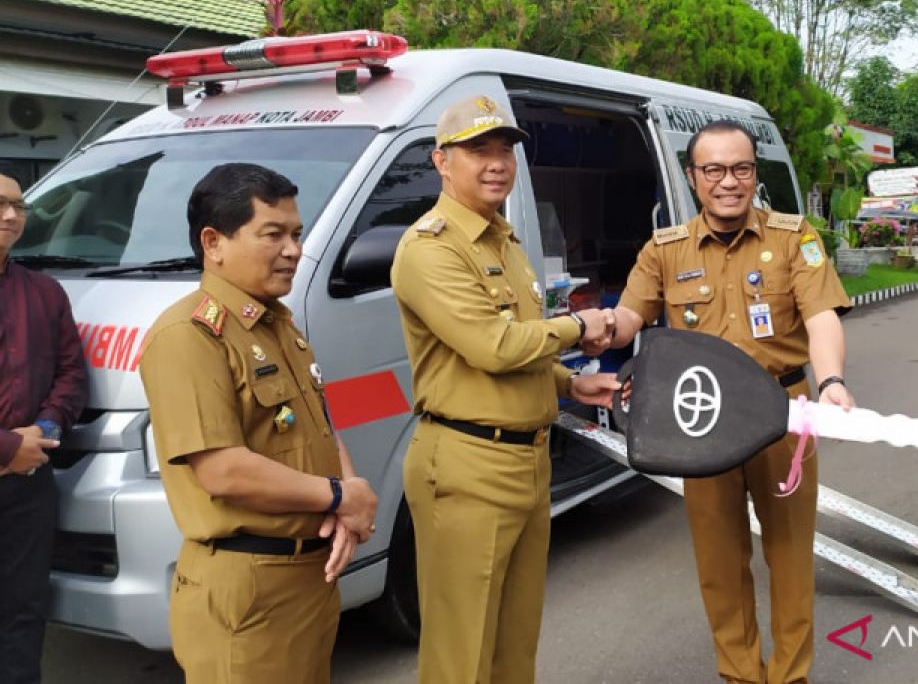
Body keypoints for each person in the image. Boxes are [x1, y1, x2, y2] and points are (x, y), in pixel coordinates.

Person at [594, 120, 854, 684]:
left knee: (788, 556)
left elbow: (821, 317)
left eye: (740, 169)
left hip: (783, 415)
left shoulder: (793, 237)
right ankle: (740, 675)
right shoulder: (665, 250)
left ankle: (790, 676)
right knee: (719, 560)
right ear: (693, 178)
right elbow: (630, 320)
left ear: (754, 174)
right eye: (713, 170)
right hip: (698, 421)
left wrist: (830, 381)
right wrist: (592, 326)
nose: (728, 182)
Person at [391, 94, 621, 684]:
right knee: (460, 656)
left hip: (528, 460)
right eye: (478, 150)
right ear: (442, 161)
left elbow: (522, 347)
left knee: (515, 647)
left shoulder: (504, 240)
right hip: (467, 465)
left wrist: (573, 381)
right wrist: (580, 326)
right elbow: (493, 346)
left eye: (504, 150)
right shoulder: (430, 247)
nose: (496, 163)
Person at [139, 164, 378, 684]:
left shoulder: (279, 324)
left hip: (307, 581)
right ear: (214, 242)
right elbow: (223, 470)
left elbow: (317, 425)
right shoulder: (188, 336)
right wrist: (339, 496)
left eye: (295, 233)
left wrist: (348, 493)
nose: (293, 249)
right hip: (248, 592)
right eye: (272, 234)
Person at [0, 169, 87, 684]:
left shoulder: (45, 292)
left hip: (29, 484)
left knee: (24, 611)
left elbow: (71, 373)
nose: (11, 215)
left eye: (19, 206)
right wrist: (9, 444)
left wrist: (44, 430)